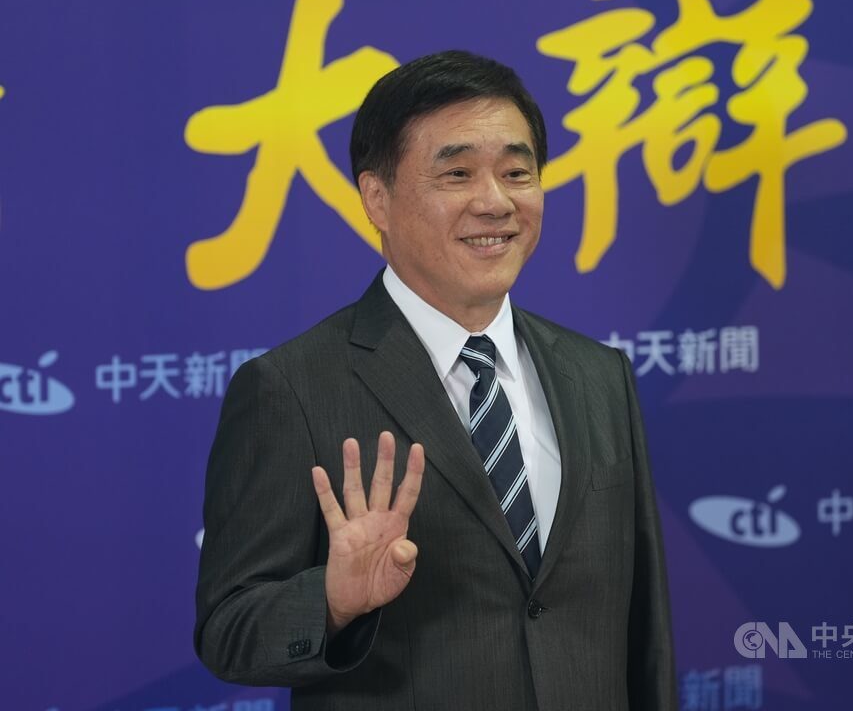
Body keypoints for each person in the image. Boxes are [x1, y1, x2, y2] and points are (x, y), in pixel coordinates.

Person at [195, 50, 676, 710]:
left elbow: (644, 629)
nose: (495, 202)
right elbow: (228, 629)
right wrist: (332, 601)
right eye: (457, 173)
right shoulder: (292, 387)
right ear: (377, 199)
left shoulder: (600, 375)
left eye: (517, 172)